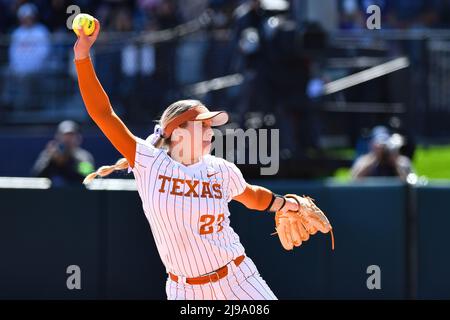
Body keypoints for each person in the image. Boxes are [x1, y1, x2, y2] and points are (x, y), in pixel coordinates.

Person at [74, 18, 330, 300]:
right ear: (179, 132)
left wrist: (286, 203)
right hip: (184, 291)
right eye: (203, 125)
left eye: (211, 125)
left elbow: (250, 195)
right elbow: (103, 114)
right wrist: (83, 56)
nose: (211, 131)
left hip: (237, 280)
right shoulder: (149, 162)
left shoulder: (221, 169)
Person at [31, 120, 95, 187]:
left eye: (71, 135)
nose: (67, 139)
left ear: (78, 138)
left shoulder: (84, 156)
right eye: (64, 135)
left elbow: (88, 176)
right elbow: (36, 175)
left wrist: (68, 161)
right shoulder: (48, 154)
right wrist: (51, 160)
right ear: (57, 136)